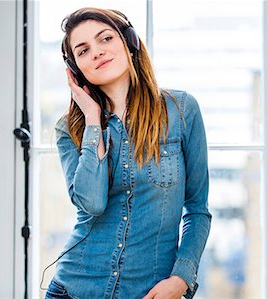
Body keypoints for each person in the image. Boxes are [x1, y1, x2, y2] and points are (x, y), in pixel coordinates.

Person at [43, 7, 211, 299]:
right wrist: (93, 121)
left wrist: (182, 278)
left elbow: (197, 210)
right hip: (74, 290)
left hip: (152, 292)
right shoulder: (69, 129)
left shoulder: (182, 111)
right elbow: (92, 204)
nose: (96, 52)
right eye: (83, 51)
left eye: (105, 38)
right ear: (75, 68)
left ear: (129, 41)